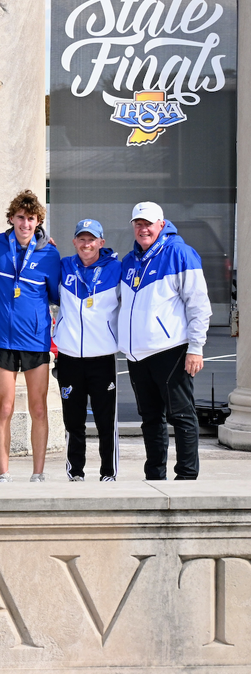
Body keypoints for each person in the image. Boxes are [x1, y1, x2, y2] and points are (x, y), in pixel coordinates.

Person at [119, 202, 211, 480]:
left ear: (161, 224)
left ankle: (186, 476)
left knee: (181, 416)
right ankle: (154, 475)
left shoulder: (180, 253)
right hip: (137, 356)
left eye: (148, 224)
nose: (143, 229)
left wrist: (196, 348)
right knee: (150, 419)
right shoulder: (129, 260)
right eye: (138, 224)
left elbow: (199, 305)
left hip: (170, 351)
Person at [0, 189, 61, 483]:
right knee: (4, 407)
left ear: (38, 222)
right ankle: (4, 473)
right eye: (21, 217)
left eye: (31, 219)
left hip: (35, 340)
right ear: (11, 218)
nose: (26, 224)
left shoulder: (50, 254)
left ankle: (38, 473)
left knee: (38, 408)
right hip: (3, 339)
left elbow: (56, 296)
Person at [53, 219, 121, 482]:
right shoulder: (64, 266)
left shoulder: (116, 268)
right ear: (74, 241)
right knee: (73, 421)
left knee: (106, 421)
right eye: (81, 239)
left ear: (101, 242)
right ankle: (75, 472)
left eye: (91, 239)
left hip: (102, 357)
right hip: (70, 357)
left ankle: (108, 473)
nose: (86, 244)